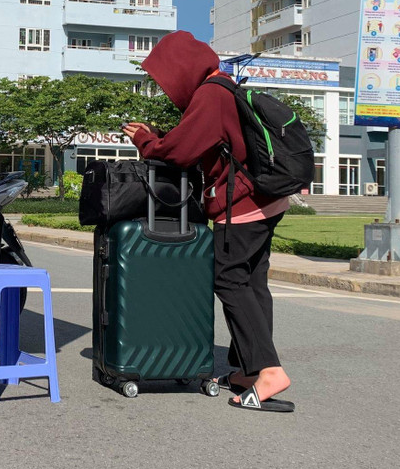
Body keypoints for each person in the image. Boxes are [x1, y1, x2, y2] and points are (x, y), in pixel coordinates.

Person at [122, 31, 294, 413]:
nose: (166, 88)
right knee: (251, 282)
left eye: (166, 78)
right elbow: (200, 142)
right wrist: (163, 139)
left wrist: (148, 141)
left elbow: (181, 151)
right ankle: (250, 370)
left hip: (242, 204)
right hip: (265, 200)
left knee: (229, 279)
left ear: (181, 69)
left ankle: (268, 369)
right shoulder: (225, 87)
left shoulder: (211, 94)